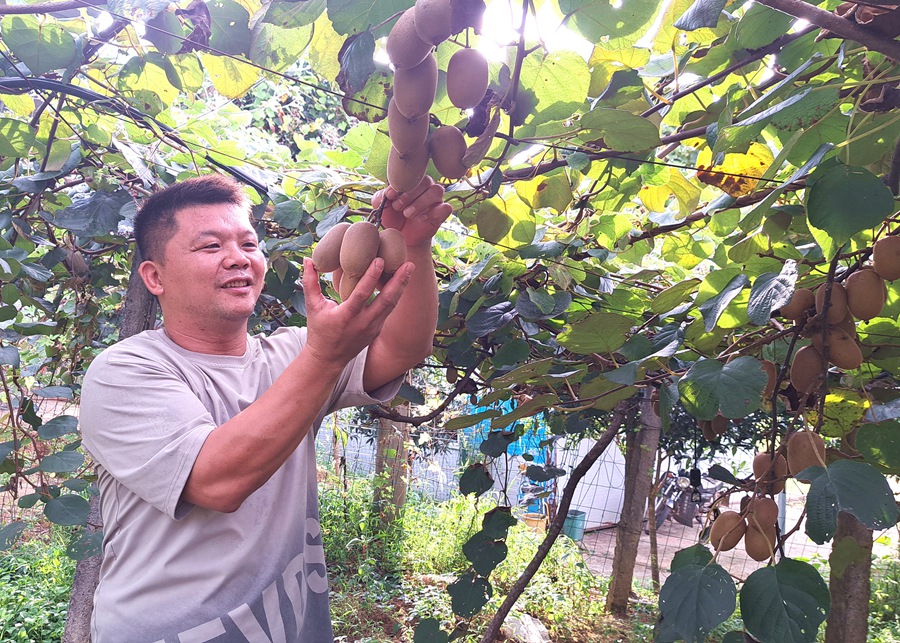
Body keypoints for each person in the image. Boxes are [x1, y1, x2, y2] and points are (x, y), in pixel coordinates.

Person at [80, 173, 452, 643]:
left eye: (248, 243)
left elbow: (402, 348)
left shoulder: (294, 353)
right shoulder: (122, 372)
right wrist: (324, 357)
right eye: (210, 246)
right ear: (155, 277)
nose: (238, 258)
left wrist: (414, 245)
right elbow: (217, 481)